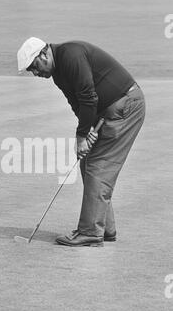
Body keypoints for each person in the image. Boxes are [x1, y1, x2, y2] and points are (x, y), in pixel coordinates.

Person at [17, 37, 145, 247]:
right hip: (111, 111)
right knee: (88, 164)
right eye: (31, 70)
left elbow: (88, 97)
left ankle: (90, 232)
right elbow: (77, 103)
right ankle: (104, 229)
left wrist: (81, 137)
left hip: (126, 107)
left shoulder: (71, 55)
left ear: (44, 54)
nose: (35, 73)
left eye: (34, 66)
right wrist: (89, 130)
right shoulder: (58, 72)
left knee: (97, 166)